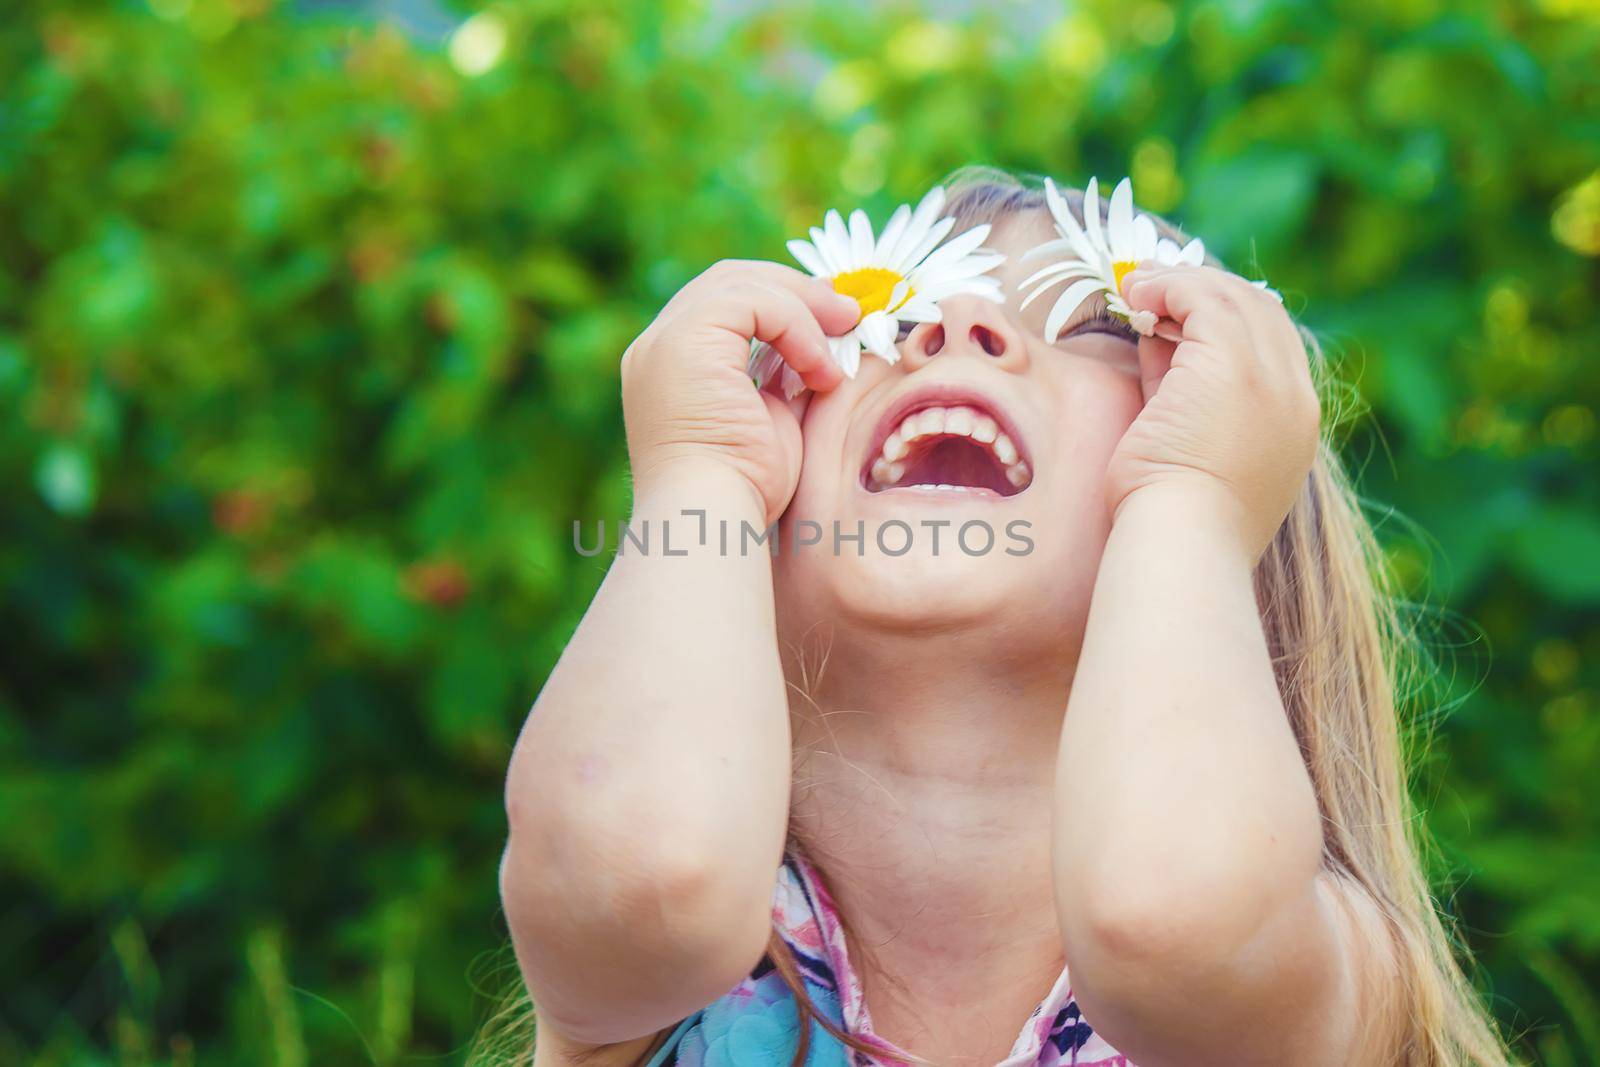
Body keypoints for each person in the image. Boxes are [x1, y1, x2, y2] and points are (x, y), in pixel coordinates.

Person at [494, 170, 1512, 1066]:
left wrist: (1188, 506)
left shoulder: (1327, 973)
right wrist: (701, 470)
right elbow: (650, 875)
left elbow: (1171, 924)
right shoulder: (644, 974)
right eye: (888, 315)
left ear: (1246, 548)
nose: (953, 328)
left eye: (1103, 325)